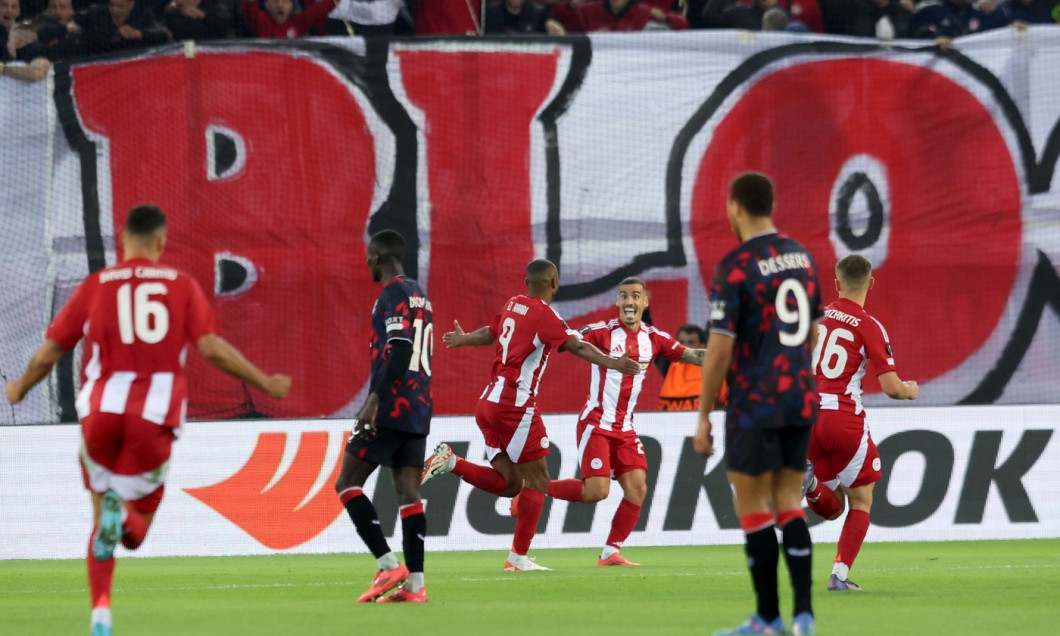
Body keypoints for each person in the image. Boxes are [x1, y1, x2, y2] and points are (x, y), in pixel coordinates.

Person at [4, 204, 292, 636]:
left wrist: (19, 388)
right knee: (134, 533)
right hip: (151, 418)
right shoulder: (181, 286)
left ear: (122, 239)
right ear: (161, 241)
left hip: (99, 414)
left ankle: (100, 612)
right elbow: (211, 348)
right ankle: (121, 521)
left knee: (100, 515)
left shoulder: (97, 285)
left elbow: (49, 352)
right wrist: (265, 383)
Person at [420, 259, 642, 572]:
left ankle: (451, 461)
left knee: (511, 484)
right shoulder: (545, 314)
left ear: (526, 281)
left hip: (488, 403)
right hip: (515, 405)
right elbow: (577, 346)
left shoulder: (514, 304)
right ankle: (518, 559)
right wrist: (613, 363)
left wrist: (464, 338)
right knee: (538, 479)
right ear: (555, 282)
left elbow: (492, 332)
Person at [694, 172, 822, 636]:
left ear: (735, 207)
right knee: (790, 502)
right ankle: (804, 616)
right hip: (800, 395)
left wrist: (704, 415)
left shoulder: (735, 266)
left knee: (752, 509)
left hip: (754, 402)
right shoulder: (802, 257)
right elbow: (812, 331)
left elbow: (720, 350)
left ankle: (767, 619)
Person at [534, 277, 706, 566]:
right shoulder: (601, 332)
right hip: (597, 424)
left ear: (645, 303)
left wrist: (729, 355)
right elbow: (568, 340)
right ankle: (536, 487)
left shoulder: (655, 338)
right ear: (617, 302)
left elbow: (692, 355)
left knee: (637, 487)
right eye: (624, 295)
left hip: (625, 427)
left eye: (636, 296)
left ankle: (610, 552)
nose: (629, 301)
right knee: (596, 492)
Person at [803, 254, 918, 592]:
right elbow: (892, 389)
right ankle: (838, 576)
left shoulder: (811, 319)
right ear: (870, 283)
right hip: (841, 417)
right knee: (862, 500)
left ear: (836, 283)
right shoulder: (869, 325)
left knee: (832, 505)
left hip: (804, 416)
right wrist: (911, 390)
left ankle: (808, 484)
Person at [333, 229, 434, 603]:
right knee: (409, 492)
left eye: (366, 256)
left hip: (393, 404)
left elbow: (399, 346)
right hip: (420, 405)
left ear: (377, 257)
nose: (365, 261)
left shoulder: (392, 292)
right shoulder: (420, 295)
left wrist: (374, 399)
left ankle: (387, 564)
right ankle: (416, 585)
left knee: (346, 482)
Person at [658, 324, 720, 411]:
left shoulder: (715, 367)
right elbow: (649, 338)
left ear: (703, 346)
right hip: (671, 423)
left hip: (707, 421)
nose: (685, 347)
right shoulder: (668, 365)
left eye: (691, 342)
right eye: (681, 342)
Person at [77, 0, 166, 56]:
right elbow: (77, 22)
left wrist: (139, 34)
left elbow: (160, 34)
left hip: (131, 60)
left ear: (131, 5)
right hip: (102, 60)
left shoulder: (143, 14)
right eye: (112, 5)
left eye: (120, 6)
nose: (115, 10)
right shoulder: (96, 14)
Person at [242, 0, 335, 39]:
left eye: (285, 1)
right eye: (275, 1)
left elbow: (319, 10)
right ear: (267, 6)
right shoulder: (260, 21)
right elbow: (249, 6)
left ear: (291, 6)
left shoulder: (297, 23)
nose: (280, 5)